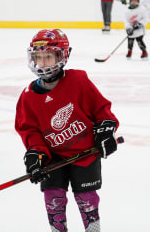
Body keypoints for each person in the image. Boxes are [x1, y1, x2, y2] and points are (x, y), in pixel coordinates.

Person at [15, 29, 119, 232]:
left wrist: (106, 129)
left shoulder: (78, 81)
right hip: (52, 158)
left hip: (86, 154)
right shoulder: (28, 96)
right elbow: (30, 131)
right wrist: (35, 153)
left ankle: (93, 228)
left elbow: (101, 109)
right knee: (53, 199)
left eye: (48, 56)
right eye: (38, 57)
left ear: (62, 55)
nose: (43, 62)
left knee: (87, 198)